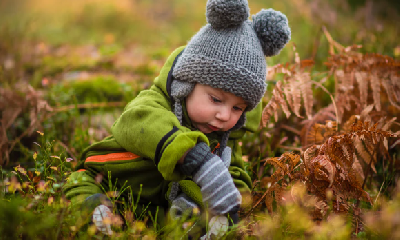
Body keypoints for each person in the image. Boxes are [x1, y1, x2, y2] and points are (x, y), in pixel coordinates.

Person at [63, 0, 290, 238]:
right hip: (110, 179)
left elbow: (233, 174)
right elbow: (135, 121)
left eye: (238, 108)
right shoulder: (156, 102)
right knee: (80, 183)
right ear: (186, 85)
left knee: (200, 213)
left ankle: (188, 225)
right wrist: (194, 157)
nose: (224, 115)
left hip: (155, 209)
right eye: (215, 99)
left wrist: (231, 203)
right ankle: (96, 210)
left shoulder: (223, 140)